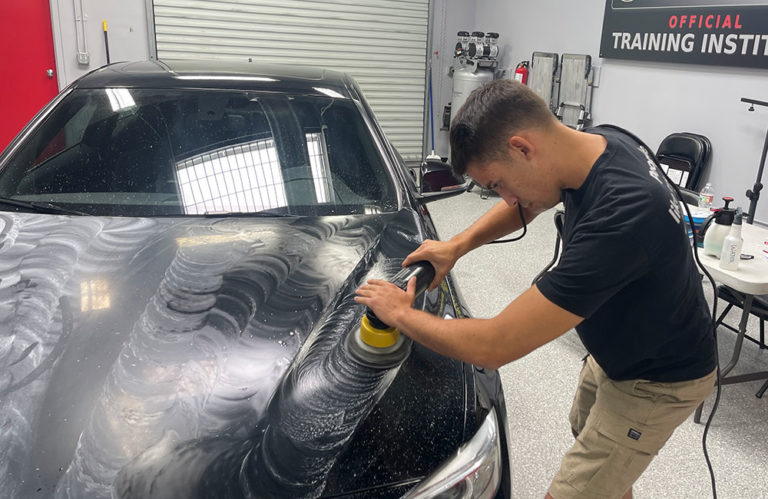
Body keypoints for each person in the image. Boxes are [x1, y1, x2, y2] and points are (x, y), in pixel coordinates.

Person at [354, 79, 716, 499]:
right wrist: (456, 246)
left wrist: (401, 314)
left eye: (496, 184)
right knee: (589, 437)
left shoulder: (627, 214)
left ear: (523, 148)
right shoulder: (596, 144)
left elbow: (494, 345)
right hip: (618, 346)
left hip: (658, 378)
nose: (504, 198)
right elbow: (529, 201)